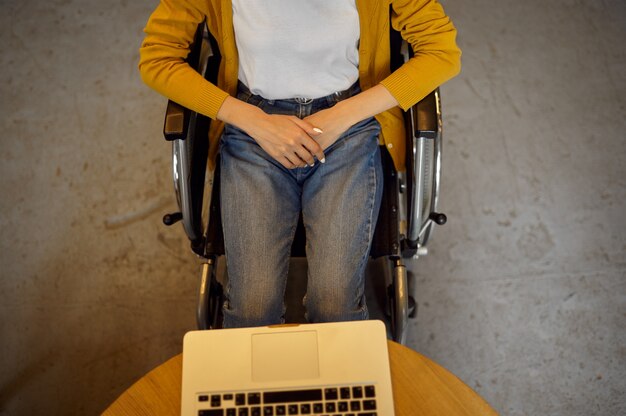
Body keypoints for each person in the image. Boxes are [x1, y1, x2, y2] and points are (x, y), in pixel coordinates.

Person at [139, 0, 461, 328]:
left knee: (336, 307)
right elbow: (158, 57)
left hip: (347, 121)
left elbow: (441, 53)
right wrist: (251, 119)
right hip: (254, 124)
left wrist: (341, 117)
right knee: (252, 310)